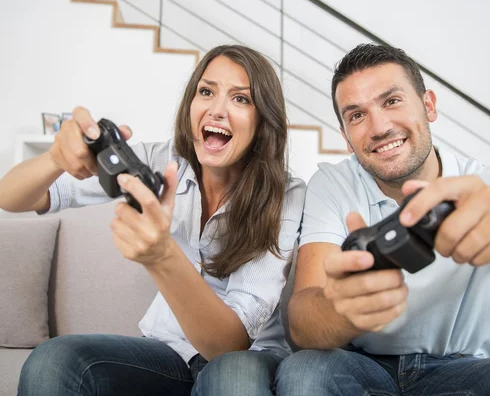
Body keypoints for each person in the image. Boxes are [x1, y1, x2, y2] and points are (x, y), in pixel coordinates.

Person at [275, 43, 490, 396]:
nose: (379, 127)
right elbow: (303, 326)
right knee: (303, 371)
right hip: (361, 363)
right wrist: (342, 310)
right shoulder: (333, 183)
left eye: (392, 101)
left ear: (428, 105)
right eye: (356, 115)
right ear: (346, 138)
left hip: (462, 365)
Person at [0, 44, 306, 395]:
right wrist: (56, 159)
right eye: (206, 92)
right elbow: (10, 197)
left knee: (231, 377)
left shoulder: (286, 195)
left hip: (247, 357)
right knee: (53, 359)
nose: (217, 110)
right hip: (168, 353)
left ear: (263, 120)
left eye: (241, 99)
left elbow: (228, 344)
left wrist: (161, 254)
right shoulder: (159, 161)